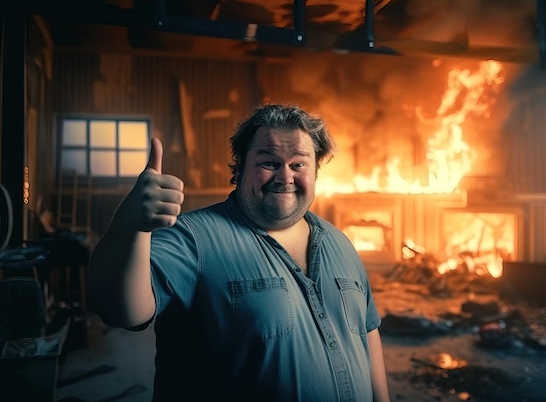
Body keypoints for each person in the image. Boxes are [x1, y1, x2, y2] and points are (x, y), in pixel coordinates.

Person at [87, 103, 391, 402]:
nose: (285, 177)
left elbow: (367, 332)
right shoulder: (194, 238)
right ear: (240, 166)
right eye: (268, 163)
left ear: (315, 171)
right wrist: (130, 225)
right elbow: (121, 310)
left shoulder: (340, 243)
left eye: (298, 164)